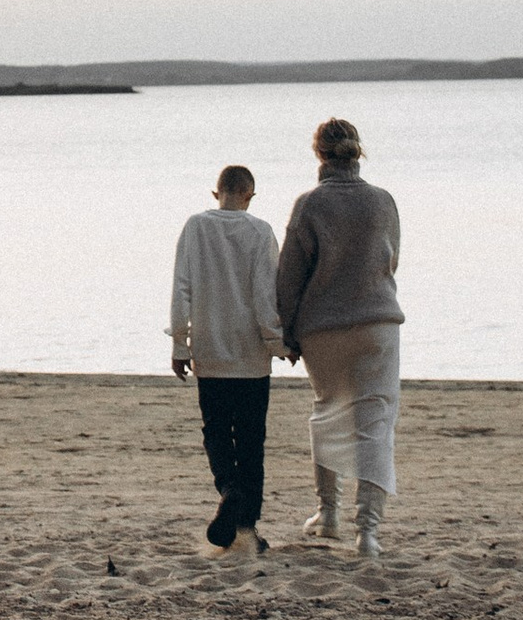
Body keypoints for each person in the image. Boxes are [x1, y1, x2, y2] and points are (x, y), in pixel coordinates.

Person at [275, 115, 403, 561]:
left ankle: (327, 514)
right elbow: (392, 262)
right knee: (375, 424)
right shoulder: (383, 201)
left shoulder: (309, 205)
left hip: (323, 328)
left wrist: (287, 333)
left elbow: (289, 278)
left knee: (328, 413)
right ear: (356, 151)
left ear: (319, 154)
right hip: (376, 324)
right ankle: (367, 532)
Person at [166, 162, 285, 555]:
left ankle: (229, 489)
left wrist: (180, 345)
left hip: (211, 352)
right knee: (252, 442)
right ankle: (247, 529)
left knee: (216, 433)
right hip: (251, 357)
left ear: (216, 193)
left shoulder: (196, 227)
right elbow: (267, 295)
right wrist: (278, 343)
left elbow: (181, 288)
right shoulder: (260, 231)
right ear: (250, 195)